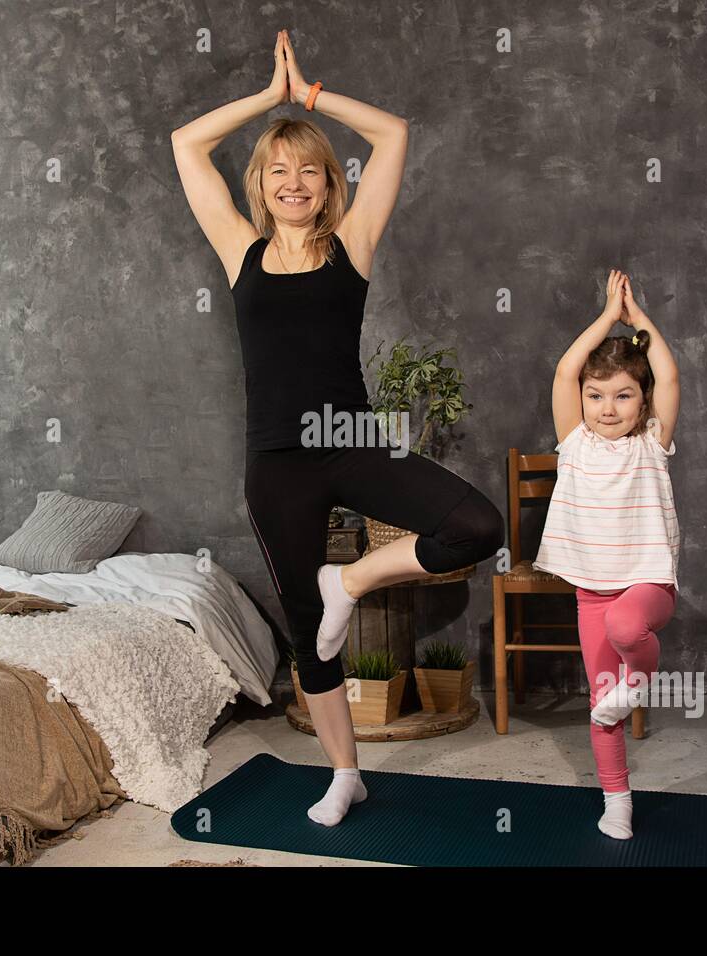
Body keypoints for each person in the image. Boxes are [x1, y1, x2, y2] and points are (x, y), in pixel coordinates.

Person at [171, 30, 504, 826]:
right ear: (261, 184)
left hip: (348, 440)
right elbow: (187, 144)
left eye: (309, 170)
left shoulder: (351, 248)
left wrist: (310, 98)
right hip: (275, 463)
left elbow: (393, 134)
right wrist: (267, 99)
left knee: (477, 525)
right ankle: (344, 772)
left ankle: (346, 582)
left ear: (328, 186)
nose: (293, 182)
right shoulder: (239, 250)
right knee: (308, 638)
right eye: (278, 170)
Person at [532, 269, 682, 840]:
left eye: (623, 395)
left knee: (625, 625)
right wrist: (603, 317)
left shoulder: (653, 442)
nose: (607, 407)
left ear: (643, 402)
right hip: (590, 591)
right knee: (601, 704)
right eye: (596, 396)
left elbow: (667, 372)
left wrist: (638, 321)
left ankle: (639, 683)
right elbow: (566, 370)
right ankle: (617, 799)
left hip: (646, 588)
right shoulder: (574, 441)